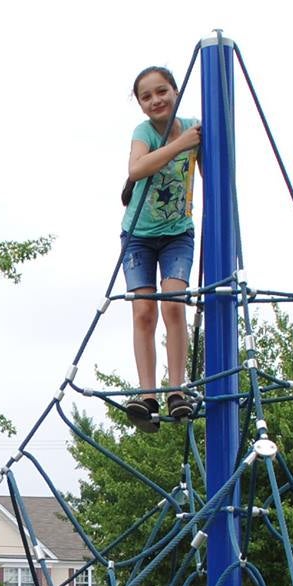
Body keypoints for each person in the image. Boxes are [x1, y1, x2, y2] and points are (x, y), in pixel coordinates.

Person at [120, 64, 202, 431]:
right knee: (143, 312)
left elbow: (211, 175)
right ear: (139, 104)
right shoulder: (146, 132)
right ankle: (148, 392)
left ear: (175, 90)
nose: (156, 100)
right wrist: (180, 145)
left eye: (161, 91)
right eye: (146, 96)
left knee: (173, 304)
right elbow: (136, 169)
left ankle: (176, 389)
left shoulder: (195, 126)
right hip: (139, 233)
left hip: (177, 234)